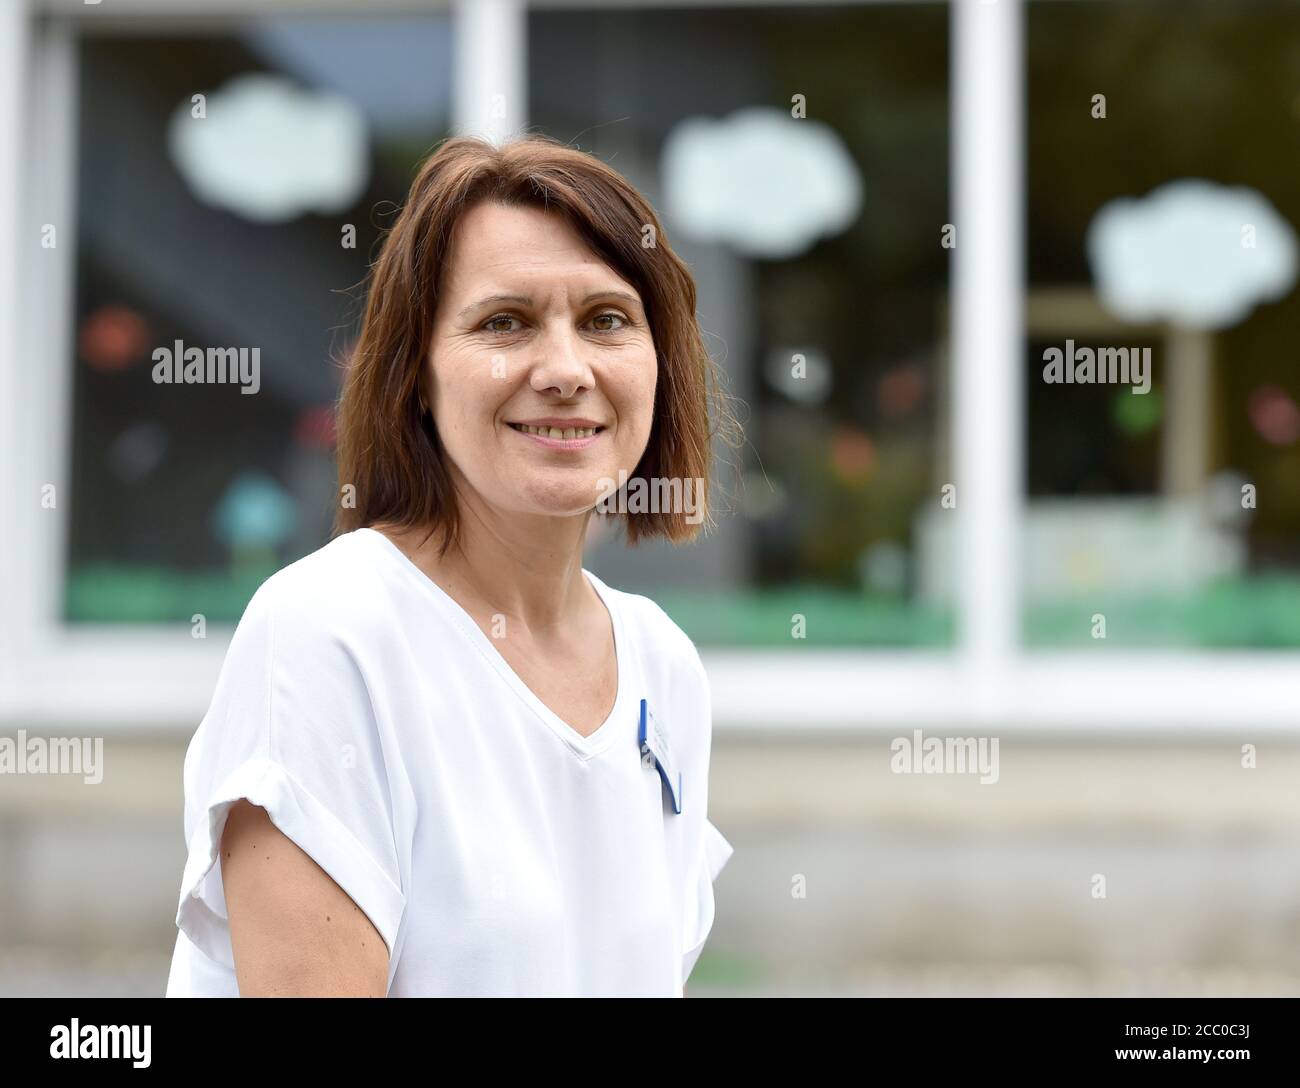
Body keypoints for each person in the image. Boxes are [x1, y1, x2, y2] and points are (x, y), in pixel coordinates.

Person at [165, 132, 740, 997]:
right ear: (417, 378)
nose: (565, 370)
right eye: (504, 321)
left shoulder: (662, 666)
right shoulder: (329, 636)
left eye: (607, 320)